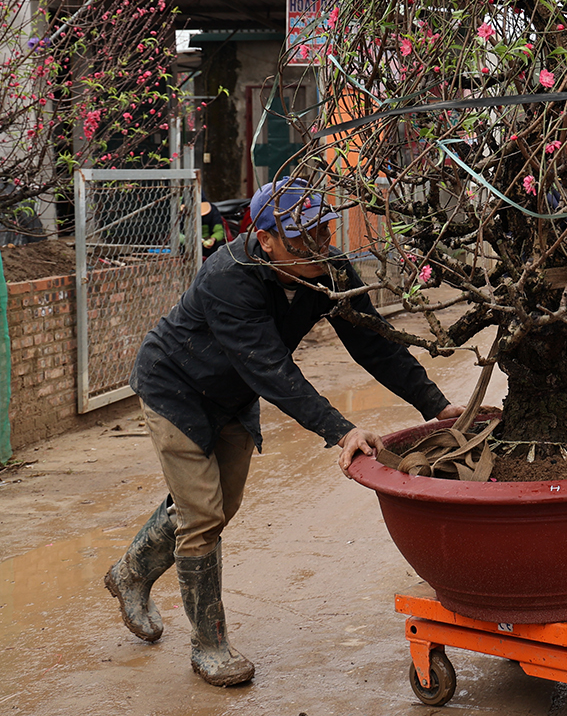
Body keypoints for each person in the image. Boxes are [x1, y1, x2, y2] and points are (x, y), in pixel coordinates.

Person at [104, 177, 463, 687]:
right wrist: (341, 430)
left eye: (323, 234)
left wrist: (437, 405)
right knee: (203, 516)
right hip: (176, 388)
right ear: (265, 239)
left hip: (233, 394)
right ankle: (210, 647)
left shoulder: (328, 269)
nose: (318, 251)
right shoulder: (227, 278)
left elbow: (373, 344)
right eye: (302, 242)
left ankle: (130, 573)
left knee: (217, 506)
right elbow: (273, 371)